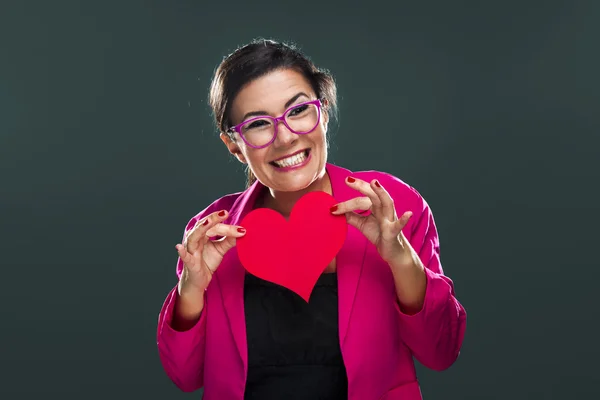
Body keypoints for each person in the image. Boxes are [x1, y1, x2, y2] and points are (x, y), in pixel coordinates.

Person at [156, 38, 467, 400]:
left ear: (324, 111)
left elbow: (441, 351)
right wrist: (191, 290)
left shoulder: (392, 205)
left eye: (299, 111)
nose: (285, 137)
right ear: (234, 145)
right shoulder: (212, 230)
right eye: (258, 124)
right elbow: (185, 377)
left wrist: (400, 259)